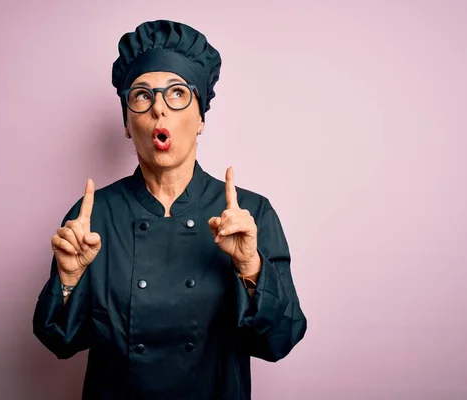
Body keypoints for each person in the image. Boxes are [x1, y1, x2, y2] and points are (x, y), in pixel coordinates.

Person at [33, 20, 307, 399]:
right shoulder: (92, 218)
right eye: (142, 96)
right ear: (128, 124)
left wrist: (250, 269)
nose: (159, 108)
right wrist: (67, 280)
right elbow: (60, 343)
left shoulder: (250, 215)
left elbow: (281, 340)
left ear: (201, 119)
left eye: (177, 93)